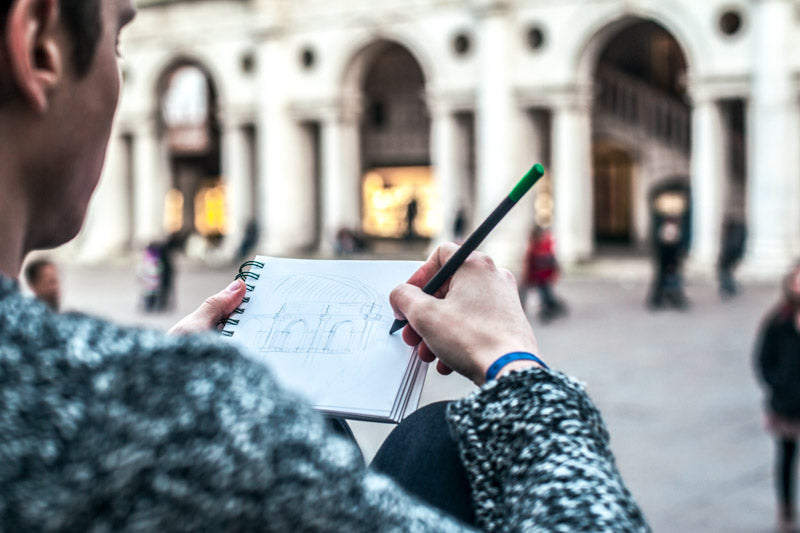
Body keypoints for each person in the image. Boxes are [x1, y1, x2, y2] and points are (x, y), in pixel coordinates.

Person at [0, 1, 649, 530]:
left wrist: (150, 382)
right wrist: (516, 365)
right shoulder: (174, 423)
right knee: (440, 440)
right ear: (39, 45)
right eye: (117, 44)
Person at [755, 262, 800, 533]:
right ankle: (786, 509)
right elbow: (763, 359)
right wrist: (778, 385)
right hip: (786, 403)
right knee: (786, 457)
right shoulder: (778, 320)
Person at [519, 226, 567, 322]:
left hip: (541, 276)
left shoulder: (539, 246)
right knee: (543, 293)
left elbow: (547, 260)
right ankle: (552, 308)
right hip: (538, 276)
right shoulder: (537, 245)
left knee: (545, 294)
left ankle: (552, 309)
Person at [717, 216, 746, 298]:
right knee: (728, 252)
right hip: (729, 221)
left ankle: (727, 281)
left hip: (739, 221)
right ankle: (726, 283)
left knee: (737, 251)